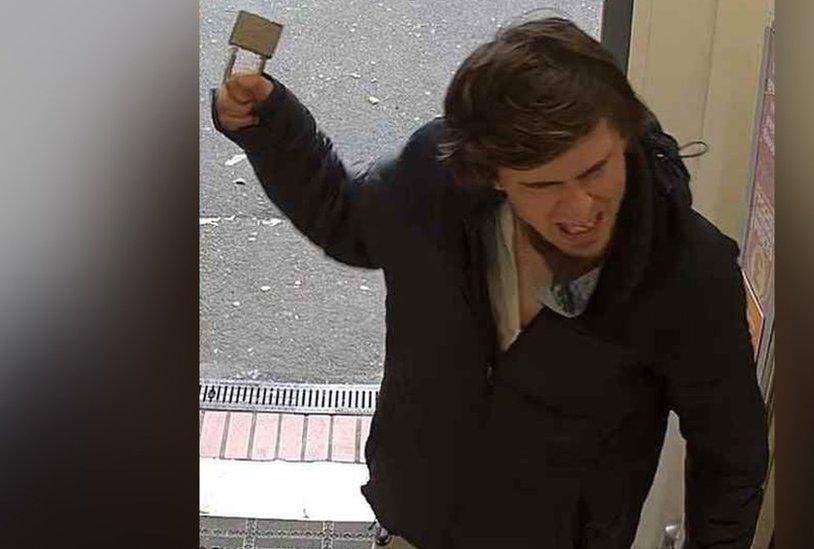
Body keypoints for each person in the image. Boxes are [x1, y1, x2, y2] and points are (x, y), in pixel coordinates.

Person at [212, 17, 768, 549]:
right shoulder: (434, 180)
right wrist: (271, 126)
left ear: (624, 136)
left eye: (596, 169)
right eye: (543, 184)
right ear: (492, 174)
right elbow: (347, 220)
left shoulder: (688, 269)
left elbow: (731, 456)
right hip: (415, 525)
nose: (580, 208)